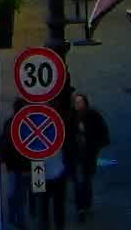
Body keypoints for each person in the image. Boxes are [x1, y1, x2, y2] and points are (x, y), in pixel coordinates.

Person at [67, 91, 111, 221]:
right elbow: (65, 136)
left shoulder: (93, 115)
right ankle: (80, 208)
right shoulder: (70, 117)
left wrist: (93, 144)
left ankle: (86, 205)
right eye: (76, 102)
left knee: (86, 181)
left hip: (88, 155)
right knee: (77, 182)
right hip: (74, 156)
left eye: (80, 102)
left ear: (85, 103)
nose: (78, 104)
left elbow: (103, 134)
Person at [0, 98, 32, 230]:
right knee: (22, 194)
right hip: (24, 166)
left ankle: (13, 214)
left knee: (16, 192)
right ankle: (20, 219)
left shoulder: (10, 122)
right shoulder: (28, 124)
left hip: (15, 166)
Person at [35, 146, 70, 228]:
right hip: (51, 171)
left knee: (43, 205)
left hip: (38, 170)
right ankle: (57, 226)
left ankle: (48, 225)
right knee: (56, 205)